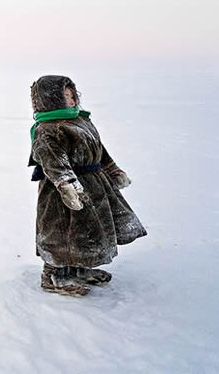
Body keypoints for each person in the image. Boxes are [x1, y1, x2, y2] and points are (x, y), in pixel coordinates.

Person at [28, 75, 147, 296]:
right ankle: (54, 277)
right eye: (65, 97)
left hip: (94, 184)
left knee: (86, 230)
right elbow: (53, 162)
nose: (71, 101)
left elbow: (99, 150)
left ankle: (80, 269)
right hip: (61, 192)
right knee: (61, 233)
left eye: (73, 96)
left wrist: (113, 170)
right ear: (51, 99)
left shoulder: (80, 120)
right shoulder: (47, 129)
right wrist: (67, 186)